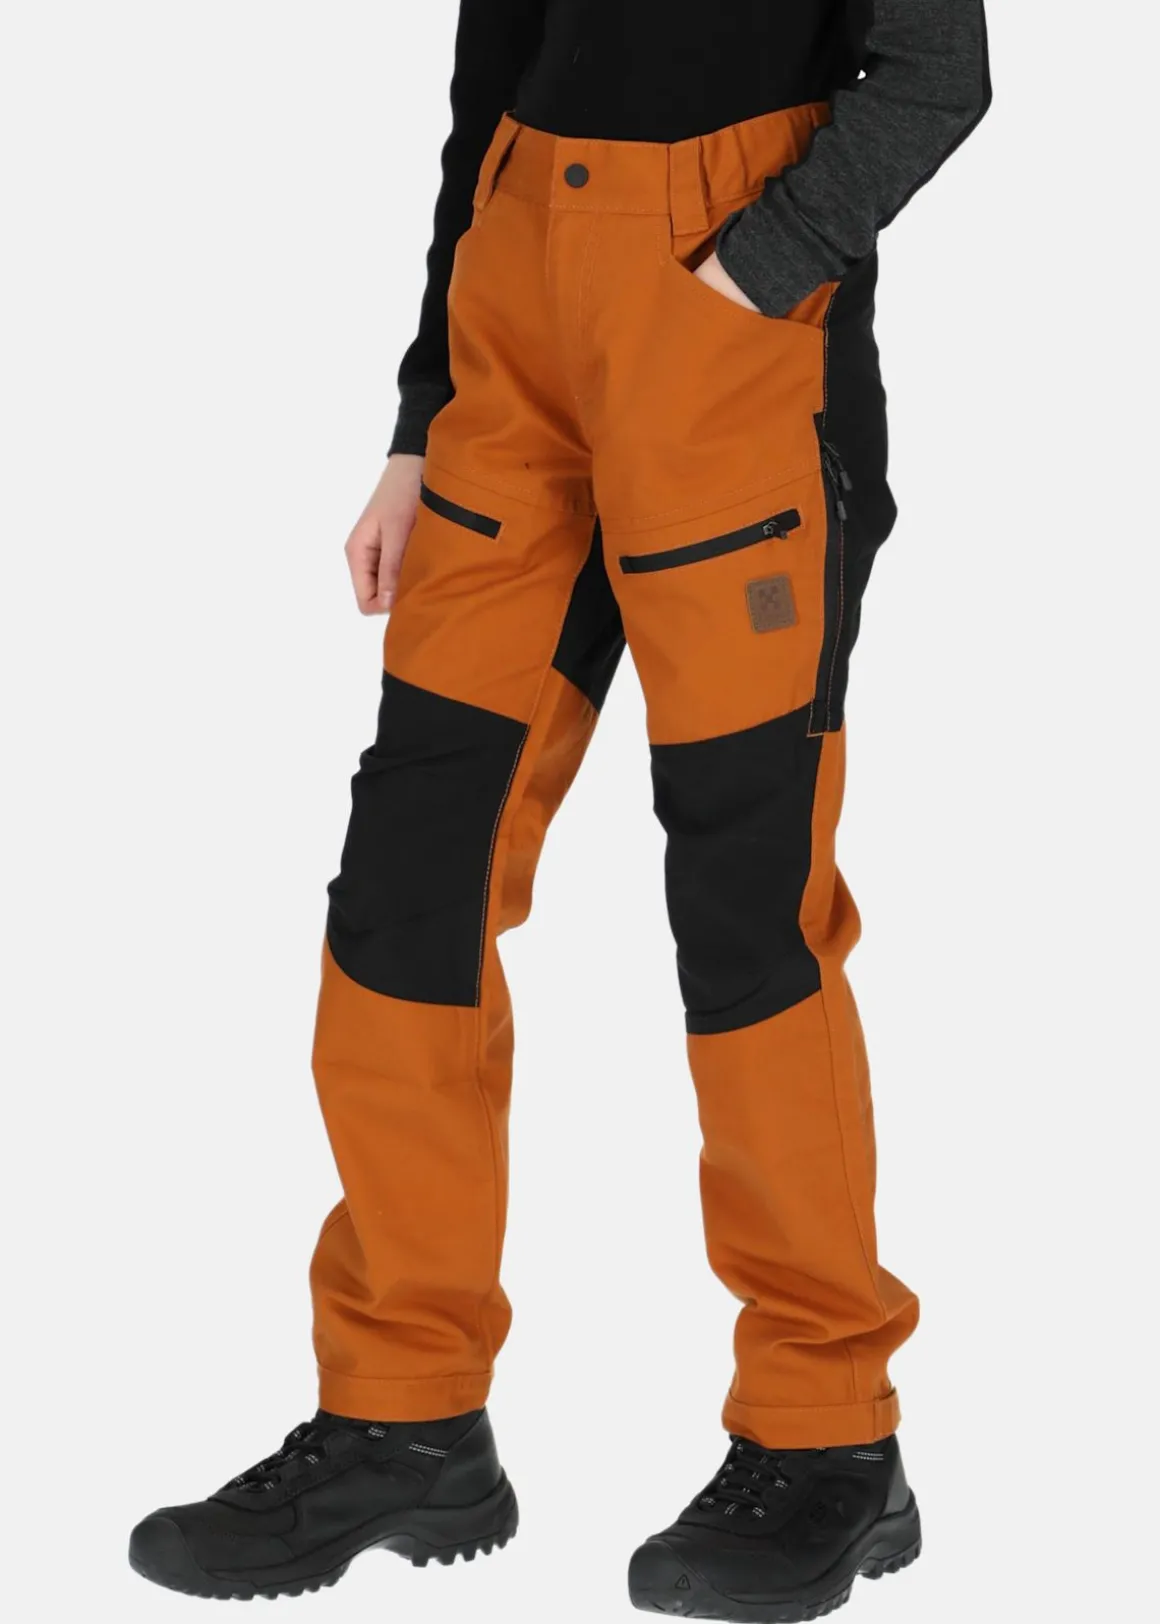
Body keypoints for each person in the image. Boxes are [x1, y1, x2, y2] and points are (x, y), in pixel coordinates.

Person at [129, 2, 990, 1616]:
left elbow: (939, 69)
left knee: (748, 908)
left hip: (730, 356)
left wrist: (751, 273)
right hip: (512, 344)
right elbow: (494, 75)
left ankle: (828, 1432)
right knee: (412, 885)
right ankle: (405, 1414)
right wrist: (420, 417)